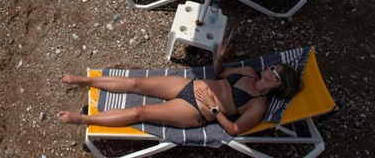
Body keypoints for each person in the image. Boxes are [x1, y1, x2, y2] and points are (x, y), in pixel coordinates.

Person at [58, 38, 303, 133]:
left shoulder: (258, 106)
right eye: (271, 67)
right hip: (190, 84)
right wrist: (220, 56)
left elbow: (235, 129)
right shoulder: (248, 72)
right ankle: (87, 80)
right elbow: (220, 72)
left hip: (197, 111)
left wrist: (214, 107)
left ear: (277, 83)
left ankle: (84, 120)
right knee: (136, 83)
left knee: (138, 112)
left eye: (274, 71)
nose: (269, 69)